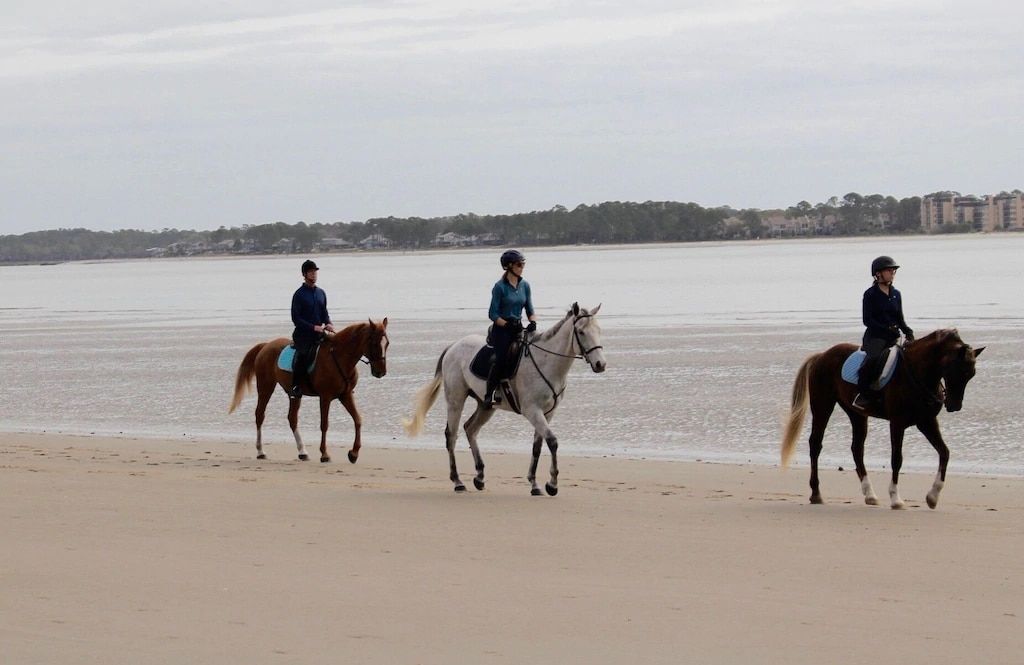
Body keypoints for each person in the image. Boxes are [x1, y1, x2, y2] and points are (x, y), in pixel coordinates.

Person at [854, 255, 914, 409]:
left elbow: (899, 317)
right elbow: (867, 320)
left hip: (894, 336)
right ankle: (864, 395)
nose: (893, 272)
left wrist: (908, 331)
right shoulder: (870, 294)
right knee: (872, 360)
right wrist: (885, 329)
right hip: (876, 337)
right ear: (878, 273)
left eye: (894, 270)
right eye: (889, 270)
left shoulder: (896, 294)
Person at [483, 249, 537, 409]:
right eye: (519, 264)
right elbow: (492, 313)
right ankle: (490, 394)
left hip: (519, 328)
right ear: (509, 266)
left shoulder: (525, 285)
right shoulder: (499, 287)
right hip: (502, 330)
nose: (522, 267)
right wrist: (506, 324)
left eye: (523, 264)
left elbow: (530, 309)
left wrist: (533, 322)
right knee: (500, 359)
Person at [289, 259, 335, 398]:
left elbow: (324, 312)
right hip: (303, 335)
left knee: (335, 349)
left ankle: (340, 383)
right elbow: (296, 318)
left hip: (319, 334)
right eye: (311, 272)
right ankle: (296, 386)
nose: (314, 274)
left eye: (315, 272)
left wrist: (328, 323)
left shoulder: (321, 293)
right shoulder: (299, 294)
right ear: (304, 274)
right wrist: (313, 327)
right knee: (303, 355)